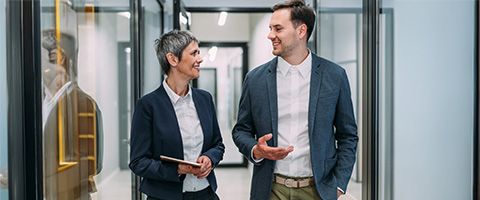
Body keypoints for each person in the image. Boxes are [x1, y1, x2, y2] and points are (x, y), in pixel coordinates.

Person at [232, 0, 358, 200]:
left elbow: (348, 136)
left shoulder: (334, 76)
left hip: (318, 190)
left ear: (301, 31)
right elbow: (241, 131)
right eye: (270, 28)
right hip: (270, 189)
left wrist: (339, 185)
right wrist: (256, 150)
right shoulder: (255, 79)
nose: (270, 35)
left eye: (278, 28)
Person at [129, 30, 225, 200]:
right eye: (194, 53)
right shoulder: (148, 105)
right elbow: (138, 162)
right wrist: (178, 169)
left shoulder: (204, 99)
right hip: (165, 196)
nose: (200, 59)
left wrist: (210, 159)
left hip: (206, 194)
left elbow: (218, 144)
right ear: (173, 59)